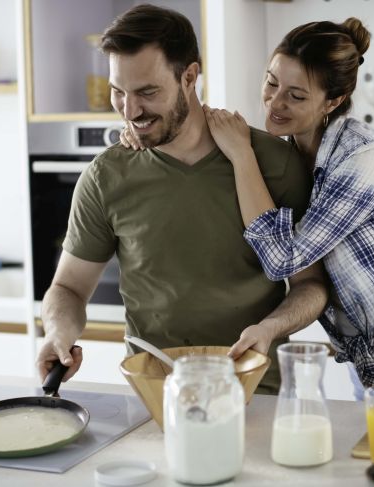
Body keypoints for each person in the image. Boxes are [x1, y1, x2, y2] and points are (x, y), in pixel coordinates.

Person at [124, 18, 374, 396]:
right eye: (271, 82)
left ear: (334, 101)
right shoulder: (291, 154)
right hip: (368, 368)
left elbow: (284, 260)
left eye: (296, 95)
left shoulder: (364, 157)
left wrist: (242, 154)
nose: (275, 102)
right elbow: (190, 124)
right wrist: (143, 127)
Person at [36, 4, 328, 394]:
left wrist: (271, 328)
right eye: (118, 92)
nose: (130, 110)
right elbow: (68, 287)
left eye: (148, 92)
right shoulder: (106, 177)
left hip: (257, 390)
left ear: (190, 76)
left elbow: (311, 285)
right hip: (154, 393)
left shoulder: (274, 164)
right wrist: (56, 332)